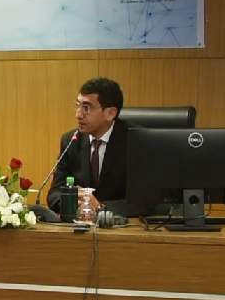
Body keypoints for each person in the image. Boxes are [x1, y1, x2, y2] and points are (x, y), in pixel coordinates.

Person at [46, 77, 151, 218]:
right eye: (78, 105)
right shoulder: (71, 141)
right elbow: (54, 194)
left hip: (123, 225)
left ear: (110, 113)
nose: (78, 115)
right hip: (81, 224)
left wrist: (100, 207)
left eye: (87, 108)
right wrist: (73, 201)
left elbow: (146, 202)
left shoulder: (138, 141)